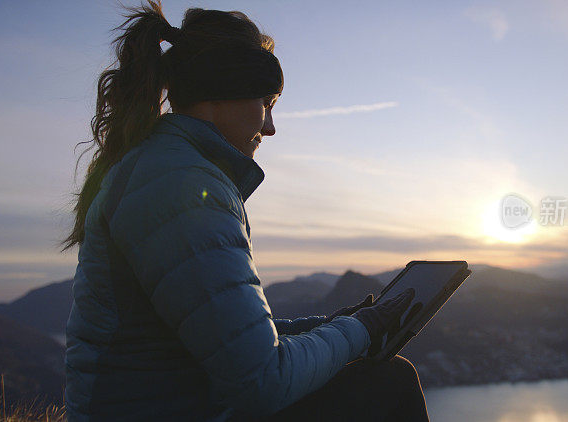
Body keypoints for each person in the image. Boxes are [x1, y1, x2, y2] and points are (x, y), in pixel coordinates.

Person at [61, 2, 429, 421]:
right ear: (228, 86)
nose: (270, 126)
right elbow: (261, 382)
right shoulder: (180, 185)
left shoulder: (160, 167)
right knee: (387, 383)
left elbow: (220, 339)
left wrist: (327, 325)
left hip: (166, 404)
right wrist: (362, 330)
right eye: (267, 102)